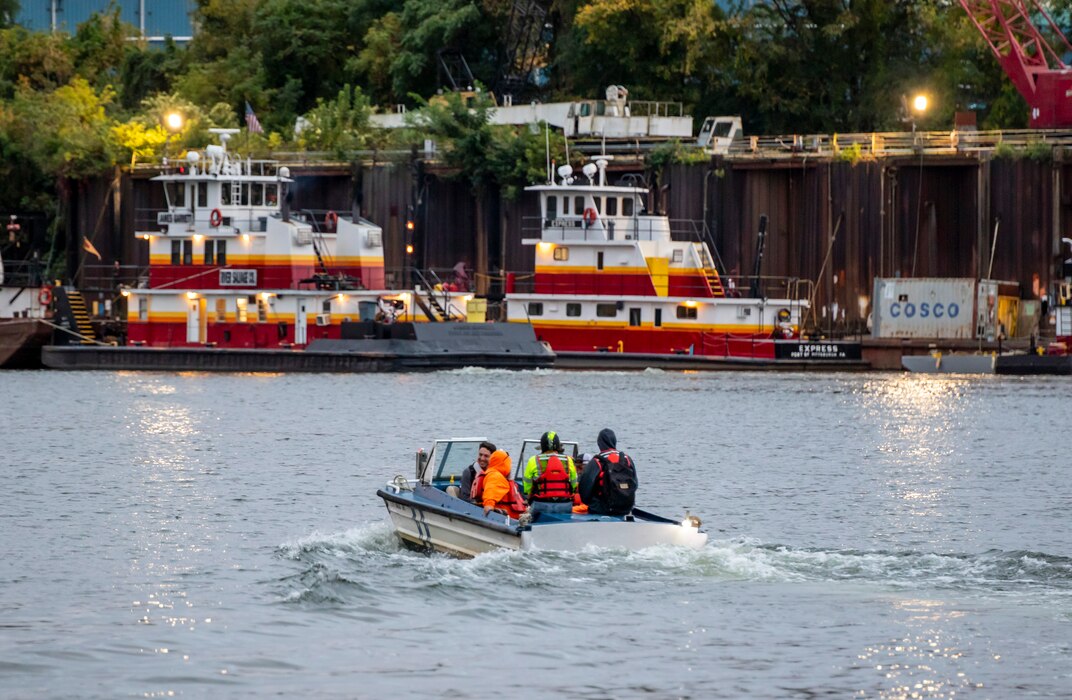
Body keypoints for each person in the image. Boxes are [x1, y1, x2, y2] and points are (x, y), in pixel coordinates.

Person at [579, 428, 638, 516]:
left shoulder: (597, 461)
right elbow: (635, 484)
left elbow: (584, 489)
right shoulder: (627, 459)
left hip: (602, 508)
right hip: (626, 508)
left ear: (599, 443)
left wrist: (590, 503)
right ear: (614, 441)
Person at [523, 431, 578, 513]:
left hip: (540, 504)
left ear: (542, 445)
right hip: (565, 505)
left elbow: (527, 487)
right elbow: (574, 485)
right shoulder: (568, 460)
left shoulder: (533, 460)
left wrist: (528, 496)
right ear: (558, 445)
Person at [476, 450, 527, 519]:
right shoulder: (496, 476)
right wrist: (489, 505)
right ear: (504, 463)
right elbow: (490, 492)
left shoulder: (493, 473)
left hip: (513, 517)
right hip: (509, 520)